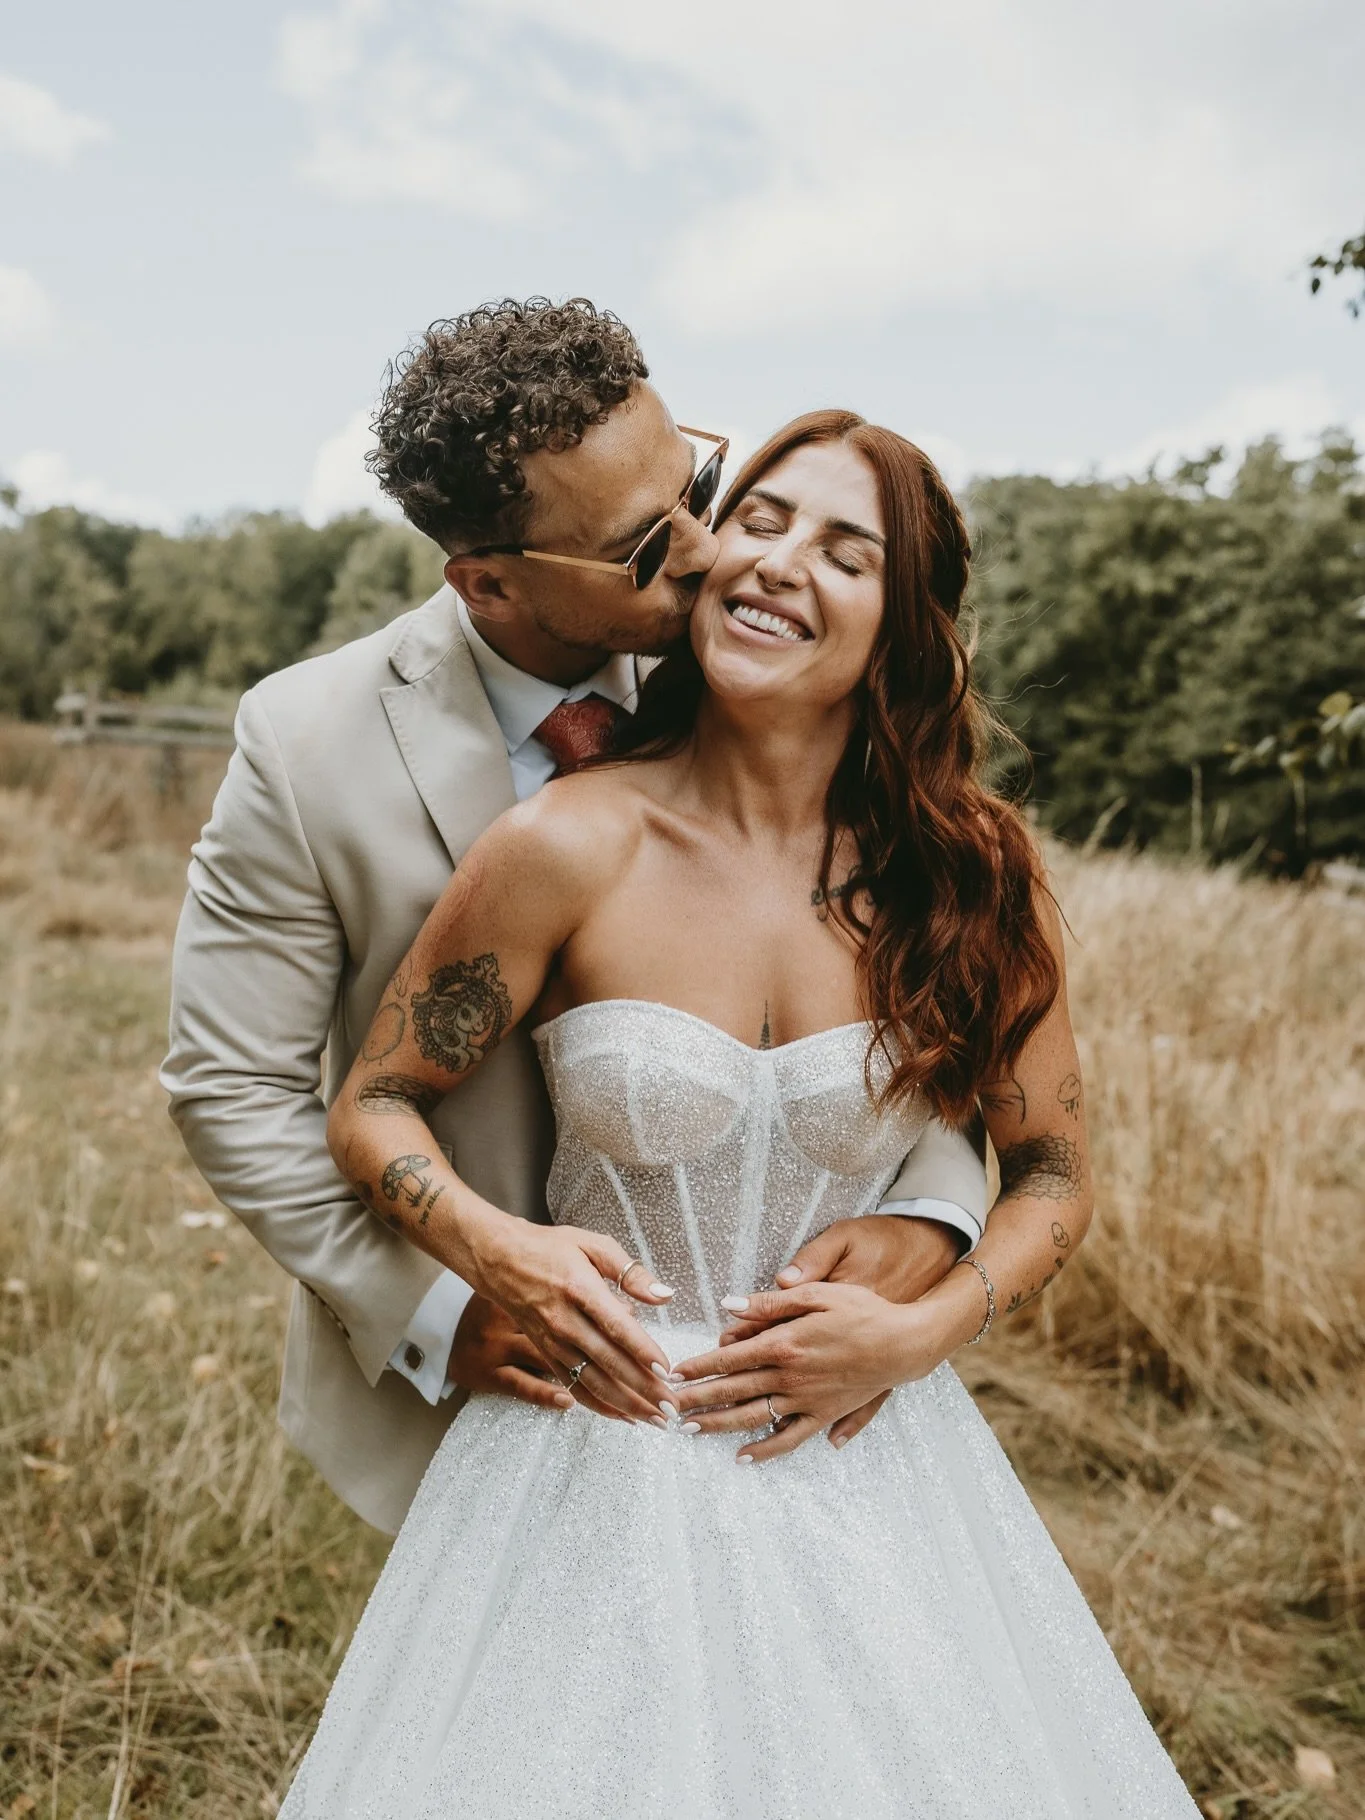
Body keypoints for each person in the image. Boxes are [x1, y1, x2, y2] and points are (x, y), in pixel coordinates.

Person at [279, 410, 1200, 1817]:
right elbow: (381, 1104)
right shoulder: (566, 844)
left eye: (846, 551)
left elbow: (1052, 1175)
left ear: (902, 627)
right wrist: (489, 1245)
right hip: (591, 1450)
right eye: (758, 520)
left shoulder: (967, 876)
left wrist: (918, 1330)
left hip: (863, 1445)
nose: (778, 565)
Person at [161, 299, 988, 1538]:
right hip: (472, 1388)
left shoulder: (765, 663)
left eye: (701, 487)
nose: (712, 552)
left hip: (770, 1414)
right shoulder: (304, 743)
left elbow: (912, 982)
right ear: (489, 580)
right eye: (650, 547)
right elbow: (232, 1088)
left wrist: (931, 1214)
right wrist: (447, 1302)